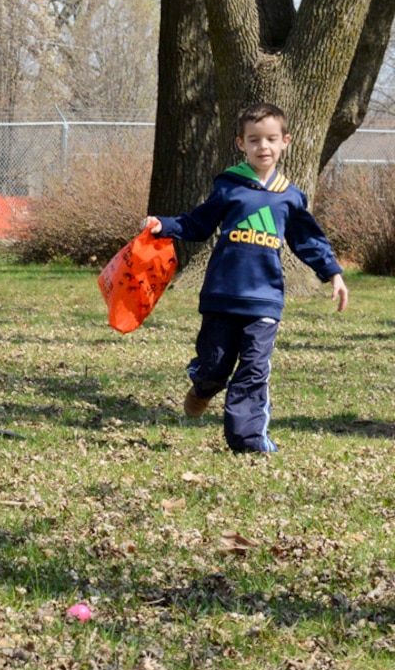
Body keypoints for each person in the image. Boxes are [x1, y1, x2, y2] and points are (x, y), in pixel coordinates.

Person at [142, 101, 347, 454]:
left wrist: (333, 273)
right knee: (215, 365)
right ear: (241, 144)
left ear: (286, 141)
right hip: (222, 294)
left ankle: (249, 440)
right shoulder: (229, 185)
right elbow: (198, 223)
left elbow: (308, 240)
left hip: (265, 298)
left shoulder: (290, 197)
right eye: (254, 140)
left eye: (270, 139)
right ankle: (203, 385)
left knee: (254, 368)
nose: (262, 147)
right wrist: (165, 226)